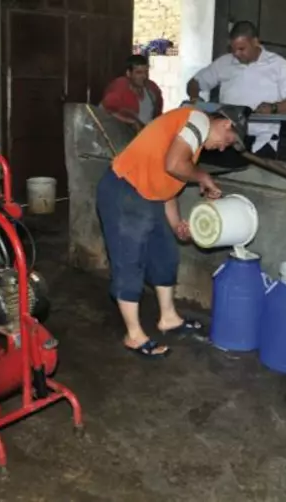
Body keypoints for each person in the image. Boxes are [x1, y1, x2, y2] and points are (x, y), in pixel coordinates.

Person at [96, 106, 240, 359]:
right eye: (228, 141)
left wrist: (175, 225)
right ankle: (134, 334)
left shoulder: (191, 144)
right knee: (130, 262)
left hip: (149, 195)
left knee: (165, 255)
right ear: (227, 124)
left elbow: (168, 187)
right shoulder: (197, 119)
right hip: (125, 189)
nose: (223, 148)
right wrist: (203, 177)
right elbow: (174, 164)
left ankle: (169, 318)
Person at [186, 20, 286, 160]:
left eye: (242, 49)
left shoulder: (278, 65)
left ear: (255, 42)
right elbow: (194, 83)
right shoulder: (224, 63)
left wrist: (273, 108)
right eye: (233, 49)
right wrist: (195, 99)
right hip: (227, 138)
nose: (236, 54)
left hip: (262, 139)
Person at [101, 55, 164, 131]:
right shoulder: (119, 88)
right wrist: (130, 122)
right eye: (139, 73)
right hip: (124, 136)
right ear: (128, 73)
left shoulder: (153, 89)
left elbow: (158, 114)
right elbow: (104, 112)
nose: (144, 76)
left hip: (148, 136)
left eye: (146, 72)